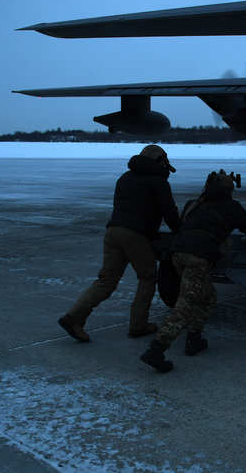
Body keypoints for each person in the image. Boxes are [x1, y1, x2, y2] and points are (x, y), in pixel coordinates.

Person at [141, 170, 246, 373]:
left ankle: (195, 339)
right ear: (228, 191)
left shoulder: (194, 204)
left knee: (207, 298)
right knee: (186, 305)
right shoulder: (230, 207)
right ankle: (157, 350)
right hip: (197, 258)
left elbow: (181, 225)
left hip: (178, 254)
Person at [58, 145, 180, 342]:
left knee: (106, 280)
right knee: (147, 277)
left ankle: (73, 318)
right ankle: (138, 324)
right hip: (136, 235)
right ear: (160, 161)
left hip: (113, 231)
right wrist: (181, 231)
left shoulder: (125, 177)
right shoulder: (158, 182)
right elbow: (170, 213)